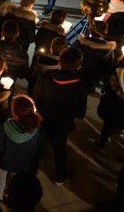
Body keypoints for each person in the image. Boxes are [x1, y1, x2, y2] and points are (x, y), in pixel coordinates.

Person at [32, 47, 87, 185]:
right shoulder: (81, 86)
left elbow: (35, 100)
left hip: (42, 121)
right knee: (59, 149)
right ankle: (60, 176)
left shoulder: (44, 77)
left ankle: (31, 173)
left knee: (37, 148)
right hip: (62, 125)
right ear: (79, 65)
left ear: (60, 62)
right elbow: (81, 113)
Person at [0, 95, 43, 203]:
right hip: (22, 164)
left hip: (3, 163)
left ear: (15, 114)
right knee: (14, 183)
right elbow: (38, 147)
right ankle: (10, 197)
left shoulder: (4, 129)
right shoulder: (36, 128)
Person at [73, 21, 116, 91]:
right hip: (93, 79)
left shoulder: (79, 43)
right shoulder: (109, 49)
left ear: (90, 30)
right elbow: (108, 66)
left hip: (75, 76)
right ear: (105, 33)